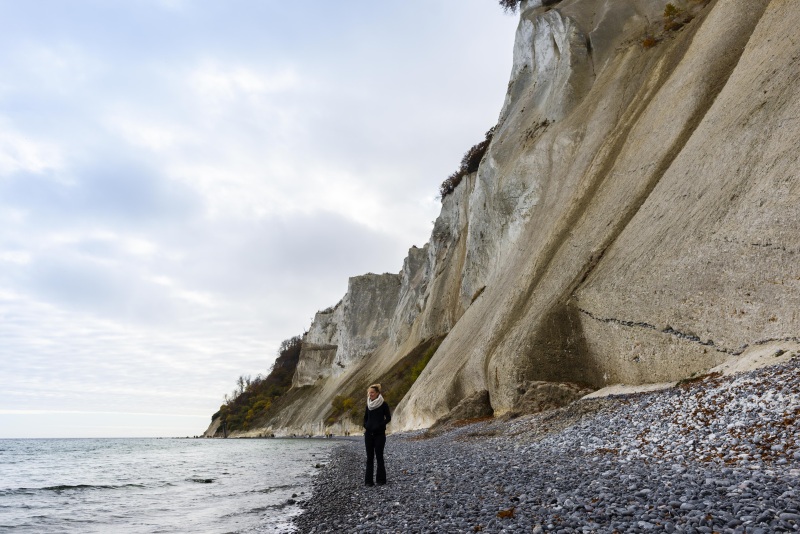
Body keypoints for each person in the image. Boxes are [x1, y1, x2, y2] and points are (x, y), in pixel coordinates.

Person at [363, 383, 391, 486]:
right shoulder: (368, 405)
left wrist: (380, 425)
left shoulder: (384, 404)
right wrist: (365, 425)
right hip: (368, 434)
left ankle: (381, 480)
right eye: (369, 393)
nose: (370, 394)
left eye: (372, 392)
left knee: (379, 456)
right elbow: (365, 418)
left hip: (379, 434)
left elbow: (388, 417)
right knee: (369, 458)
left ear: (378, 393)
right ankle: (368, 482)